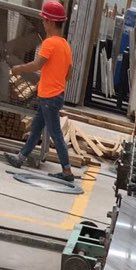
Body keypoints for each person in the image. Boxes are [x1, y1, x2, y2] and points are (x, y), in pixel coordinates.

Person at [5, 0, 74, 182]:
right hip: (54, 95)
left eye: (44, 20)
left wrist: (19, 68)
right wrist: (55, 77)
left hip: (49, 97)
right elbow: (69, 74)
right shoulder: (65, 45)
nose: (43, 23)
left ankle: (67, 170)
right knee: (36, 129)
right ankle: (20, 158)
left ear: (50, 22)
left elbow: (37, 65)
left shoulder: (49, 43)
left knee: (55, 133)